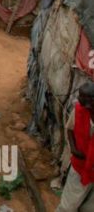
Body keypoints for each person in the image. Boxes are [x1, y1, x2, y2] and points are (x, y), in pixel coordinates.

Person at [57, 82, 94, 211]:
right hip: (80, 167)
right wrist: (73, 148)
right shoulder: (79, 111)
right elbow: (70, 128)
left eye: (83, 96)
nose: (78, 99)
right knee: (67, 207)